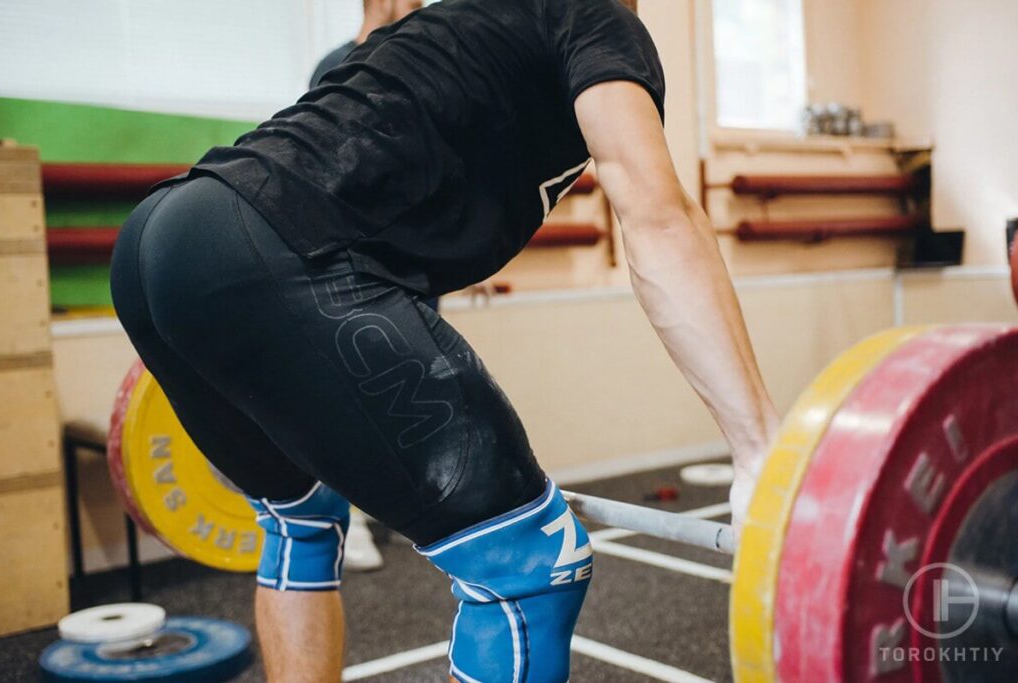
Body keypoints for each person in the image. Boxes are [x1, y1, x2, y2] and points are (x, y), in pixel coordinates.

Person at [109, 0, 779, 681]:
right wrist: (759, 448)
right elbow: (657, 214)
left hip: (160, 242)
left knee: (302, 520)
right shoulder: (594, 16)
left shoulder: (451, 27)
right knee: (530, 566)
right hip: (270, 257)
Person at [311, 0, 424, 575]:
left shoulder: (424, 59)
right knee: (352, 396)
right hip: (348, 259)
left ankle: (409, 513)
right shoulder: (336, 66)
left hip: (412, 258)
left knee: (411, 392)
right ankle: (348, 521)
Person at [310, 0, 422, 90]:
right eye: (414, 7)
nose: (420, 18)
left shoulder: (406, 64)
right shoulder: (335, 65)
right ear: (382, 2)